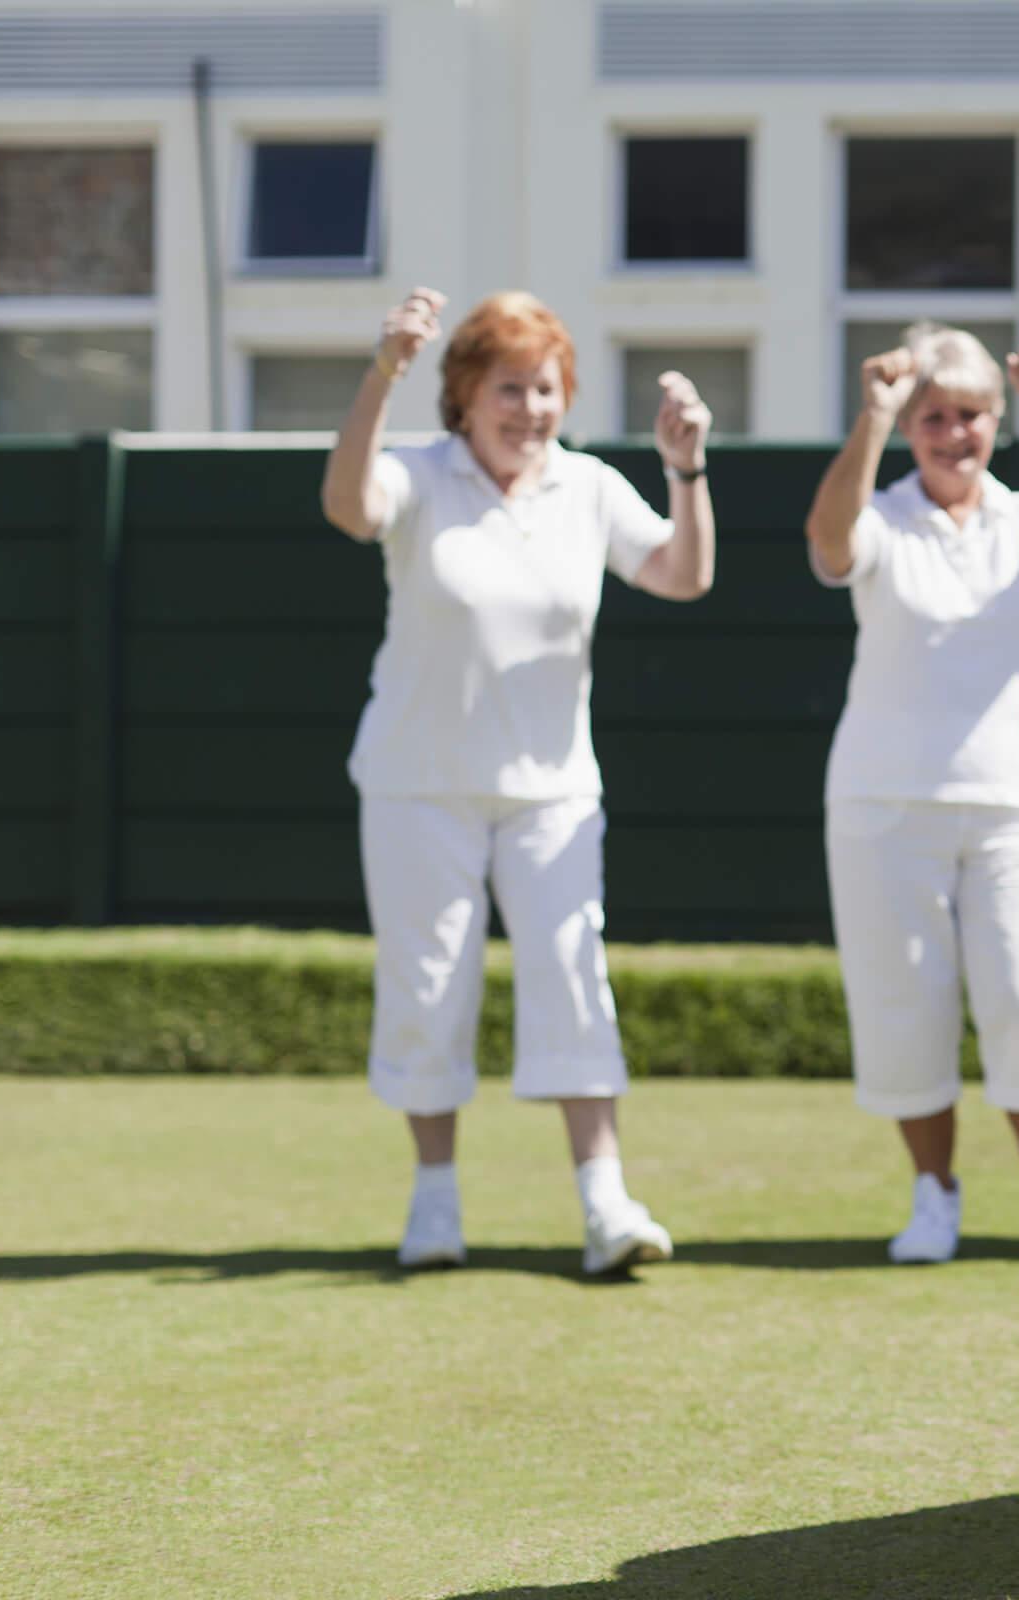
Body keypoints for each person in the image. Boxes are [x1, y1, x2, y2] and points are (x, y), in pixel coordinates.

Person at [320, 287, 718, 1276]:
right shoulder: (417, 475)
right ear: (464, 395)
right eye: (509, 388)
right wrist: (383, 370)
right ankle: (435, 1206)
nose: (529, 409)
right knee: (426, 990)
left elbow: (681, 574)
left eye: (544, 389)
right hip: (418, 786)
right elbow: (346, 506)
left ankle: (605, 1205)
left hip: (552, 792)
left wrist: (686, 471)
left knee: (575, 978)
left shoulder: (585, 488)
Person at [804, 323, 1019, 1270]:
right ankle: (933, 1198)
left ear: (998, 420)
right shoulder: (883, 516)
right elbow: (829, 539)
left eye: (973, 416)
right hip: (881, 809)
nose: (955, 434)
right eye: (935, 417)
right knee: (902, 1009)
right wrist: (869, 417)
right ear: (911, 426)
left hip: (1014, 808)